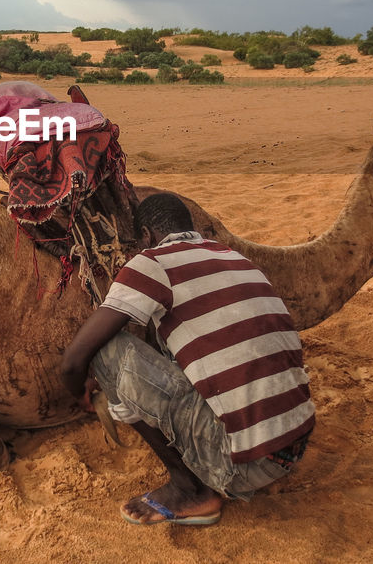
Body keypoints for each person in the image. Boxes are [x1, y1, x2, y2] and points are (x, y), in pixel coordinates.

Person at [59, 192, 315, 526]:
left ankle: (191, 489)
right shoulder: (233, 258)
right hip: (294, 445)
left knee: (106, 352)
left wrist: (80, 390)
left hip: (242, 466)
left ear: (148, 236)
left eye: (141, 242)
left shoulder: (152, 262)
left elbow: (73, 362)